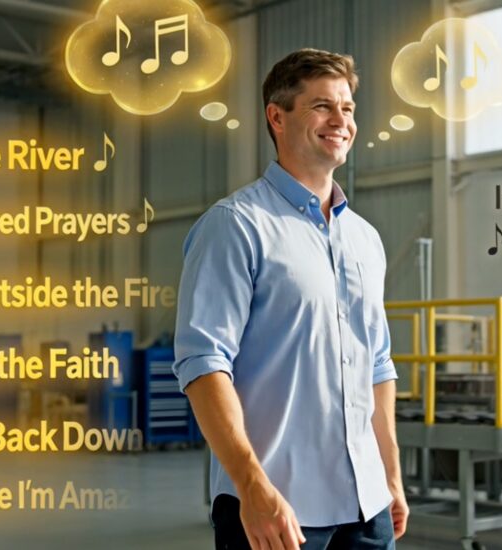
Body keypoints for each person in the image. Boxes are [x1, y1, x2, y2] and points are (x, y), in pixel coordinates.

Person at [173, 48, 408, 550]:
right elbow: (203, 365)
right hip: (275, 508)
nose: (340, 121)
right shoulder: (235, 226)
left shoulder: (365, 239)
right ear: (277, 117)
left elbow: (378, 365)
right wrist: (251, 486)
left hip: (367, 508)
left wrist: (390, 474)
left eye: (347, 108)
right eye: (322, 106)